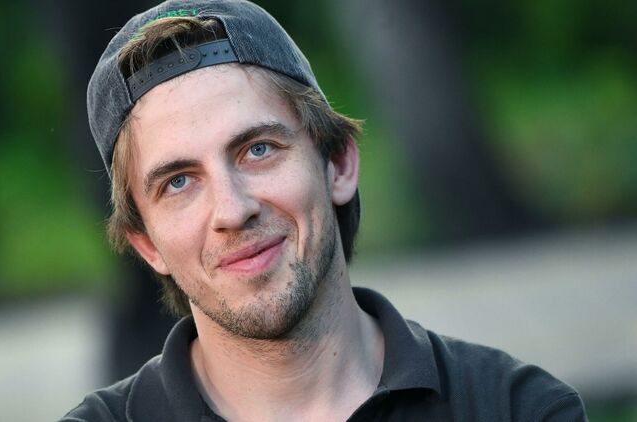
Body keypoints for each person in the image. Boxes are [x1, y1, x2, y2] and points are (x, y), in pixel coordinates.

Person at [62, 0, 587, 420]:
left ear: (337, 164)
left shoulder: (518, 408)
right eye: (178, 182)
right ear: (147, 244)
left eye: (258, 150)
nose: (232, 209)